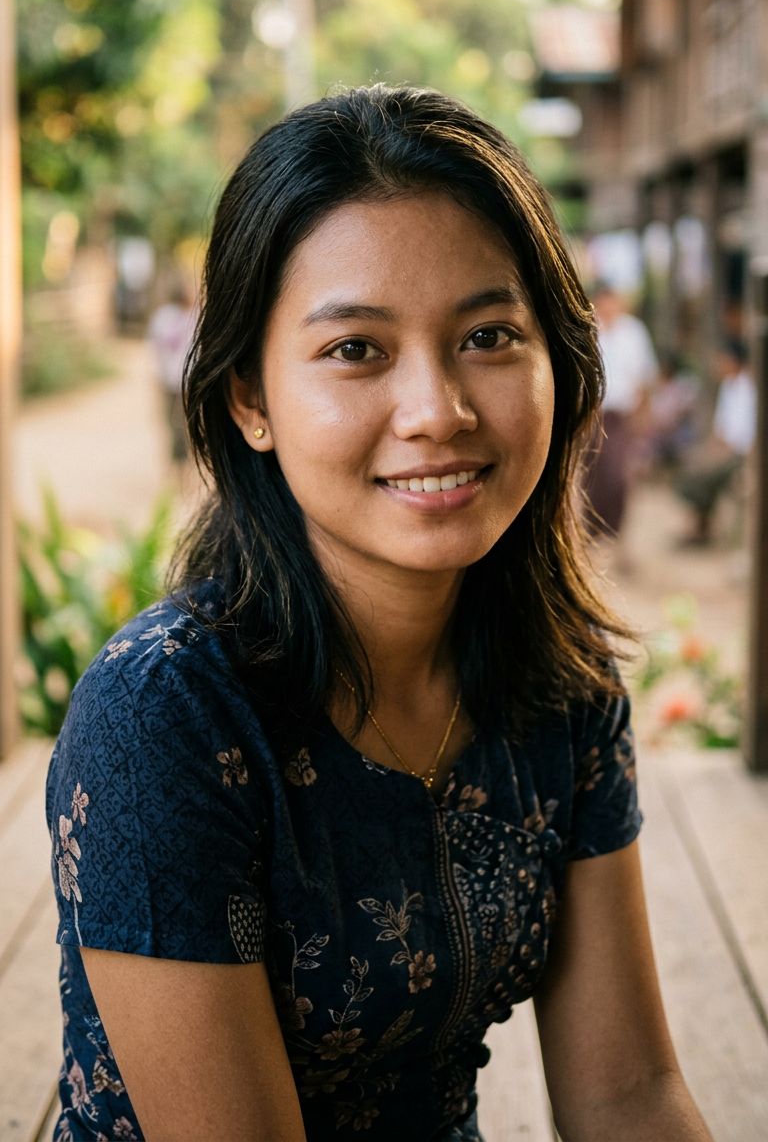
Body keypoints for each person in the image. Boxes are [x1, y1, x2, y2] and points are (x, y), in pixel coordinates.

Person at [46, 86, 712, 1142]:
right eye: (356, 348)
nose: (439, 410)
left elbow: (628, 1093)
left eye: (488, 334)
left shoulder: (560, 679)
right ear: (249, 400)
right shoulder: (167, 720)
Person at [582, 281, 658, 539]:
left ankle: (615, 529)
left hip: (622, 415)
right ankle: (592, 531)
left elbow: (645, 376)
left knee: (618, 475)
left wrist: (642, 416)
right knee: (592, 473)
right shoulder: (590, 330)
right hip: (594, 413)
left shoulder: (633, 332)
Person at [675, 338, 756, 544]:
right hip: (725, 450)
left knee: (702, 475)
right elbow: (721, 430)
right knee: (692, 465)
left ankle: (701, 527)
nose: (719, 364)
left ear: (735, 361)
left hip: (740, 455)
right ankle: (701, 526)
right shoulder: (729, 386)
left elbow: (743, 436)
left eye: (723, 360)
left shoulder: (748, 389)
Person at [147, 273, 198, 465]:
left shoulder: (162, 317)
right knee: (183, 423)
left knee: (172, 422)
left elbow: (155, 351)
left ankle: (177, 463)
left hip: (169, 378)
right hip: (186, 379)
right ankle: (182, 462)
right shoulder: (193, 317)